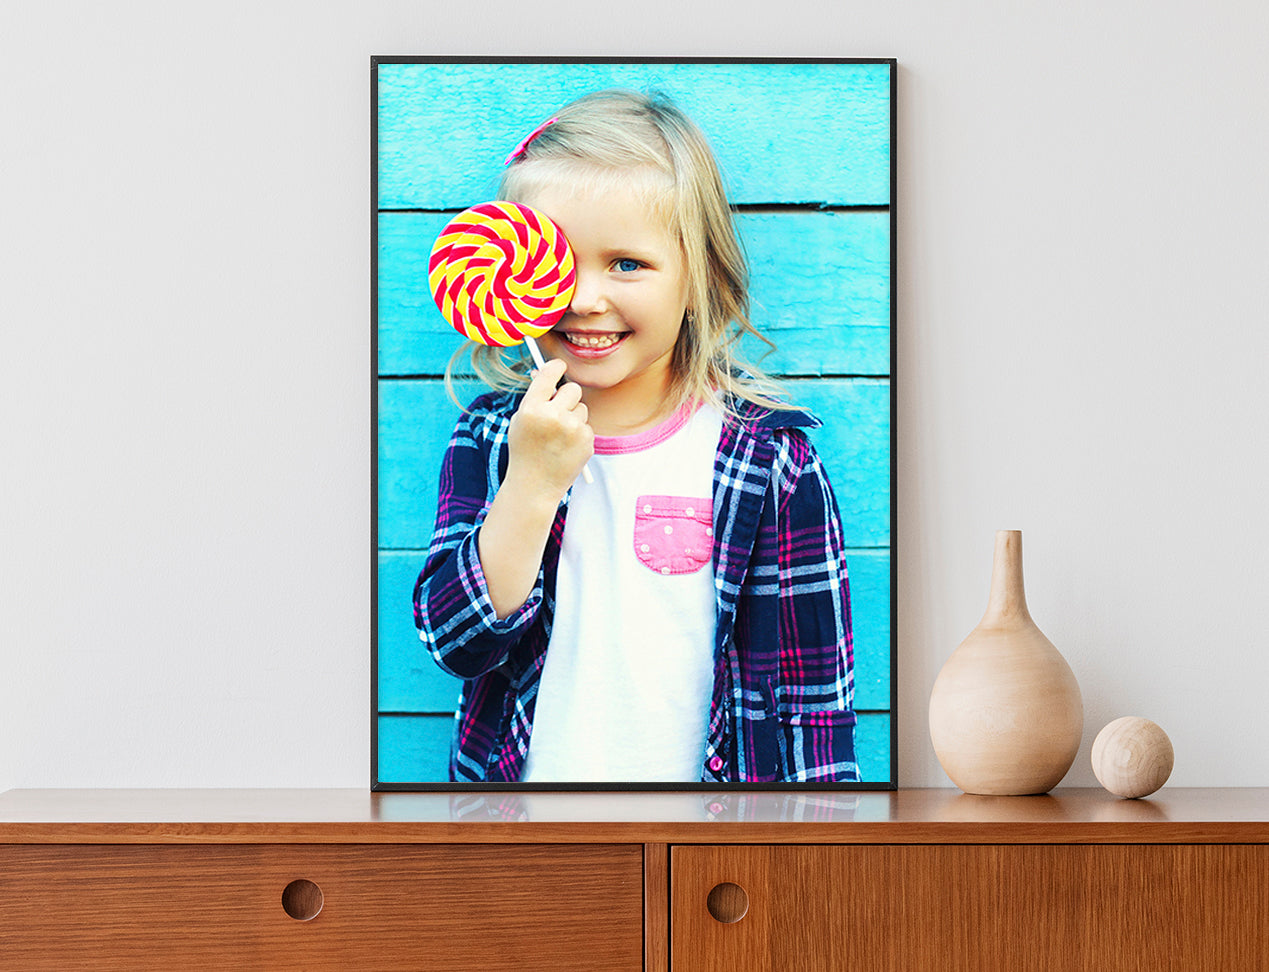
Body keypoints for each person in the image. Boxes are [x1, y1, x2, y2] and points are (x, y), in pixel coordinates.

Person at [413, 89, 857, 783]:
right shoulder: (491, 440)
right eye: (556, 262)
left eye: (626, 263)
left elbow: (814, 702)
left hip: (715, 830)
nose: (583, 298)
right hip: (525, 823)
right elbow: (455, 642)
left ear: (698, 276)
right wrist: (531, 483)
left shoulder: (771, 463)